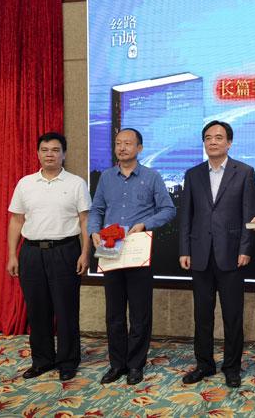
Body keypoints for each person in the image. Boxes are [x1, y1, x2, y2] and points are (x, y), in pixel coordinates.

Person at [88, 128, 176, 385]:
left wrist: (145, 224)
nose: (122, 147)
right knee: (114, 313)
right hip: (110, 250)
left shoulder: (151, 177)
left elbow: (168, 209)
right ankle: (117, 364)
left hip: (138, 251)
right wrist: (93, 231)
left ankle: (136, 364)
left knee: (140, 313)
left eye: (128, 143)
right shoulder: (106, 177)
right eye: (118, 143)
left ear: (139, 148)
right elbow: (97, 209)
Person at [179, 121, 255, 388]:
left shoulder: (244, 172)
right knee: (202, 315)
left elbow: (249, 214)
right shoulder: (193, 174)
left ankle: (232, 367)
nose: (213, 142)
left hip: (232, 255)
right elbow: (186, 215)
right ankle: (204, 364)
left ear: (229, 142)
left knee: (232, 316)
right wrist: (184, 249)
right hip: (200, 254)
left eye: (218, 137)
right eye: (208, 137)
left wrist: (245, 248)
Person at [7, 132, 91, 382]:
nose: (50, 154)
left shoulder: (76, 183)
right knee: (37, 309)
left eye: (55, 150)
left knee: (66, 310)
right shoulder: (25, 183)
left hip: (65, 251)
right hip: (31, 252)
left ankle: (68, 361)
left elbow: (85, 221)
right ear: (38, 153)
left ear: (64, 154)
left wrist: (85, 252)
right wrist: (12, 255)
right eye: (44, 150)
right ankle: (42, 360)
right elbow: (16, 220)